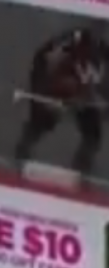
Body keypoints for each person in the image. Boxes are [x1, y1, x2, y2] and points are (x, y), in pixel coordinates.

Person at [13, 26, 109, 180]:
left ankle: (82, 172)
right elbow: (42, 60)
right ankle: (20, 158)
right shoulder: (69, 43)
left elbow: (99, 85)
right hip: (54, 88)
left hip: (83, 95)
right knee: (41, 122)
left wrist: (101, 102)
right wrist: (46, 92)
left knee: (92, 134)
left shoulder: (102, 53)